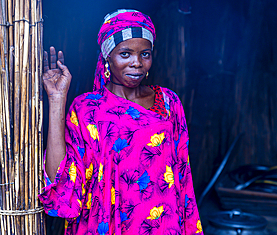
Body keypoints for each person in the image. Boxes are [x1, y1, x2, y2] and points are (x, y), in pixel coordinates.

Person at [38, 9, 203, 235]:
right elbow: (62, 179)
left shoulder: (168, 102)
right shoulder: (88, 109)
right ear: (107, 56)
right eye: (125, 54)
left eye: (145, 54)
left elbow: (183, 178)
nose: (137, 63)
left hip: (163, 227)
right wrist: (57, 101)